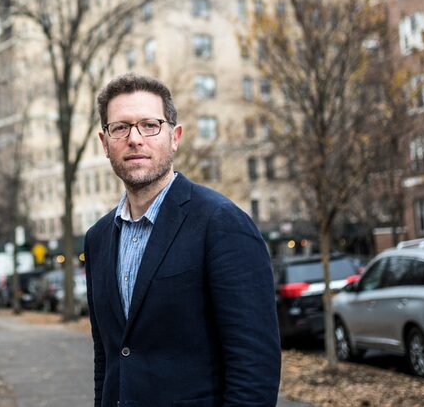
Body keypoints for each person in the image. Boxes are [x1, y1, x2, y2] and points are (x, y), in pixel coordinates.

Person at [84, 73, 280, 407]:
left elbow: (254, 366)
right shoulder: (98, 239)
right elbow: (107, 358)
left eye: (149, 125)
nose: (135, 139)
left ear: (174, 137)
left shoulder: (221, 223)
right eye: (120, 127)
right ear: (105, 143)